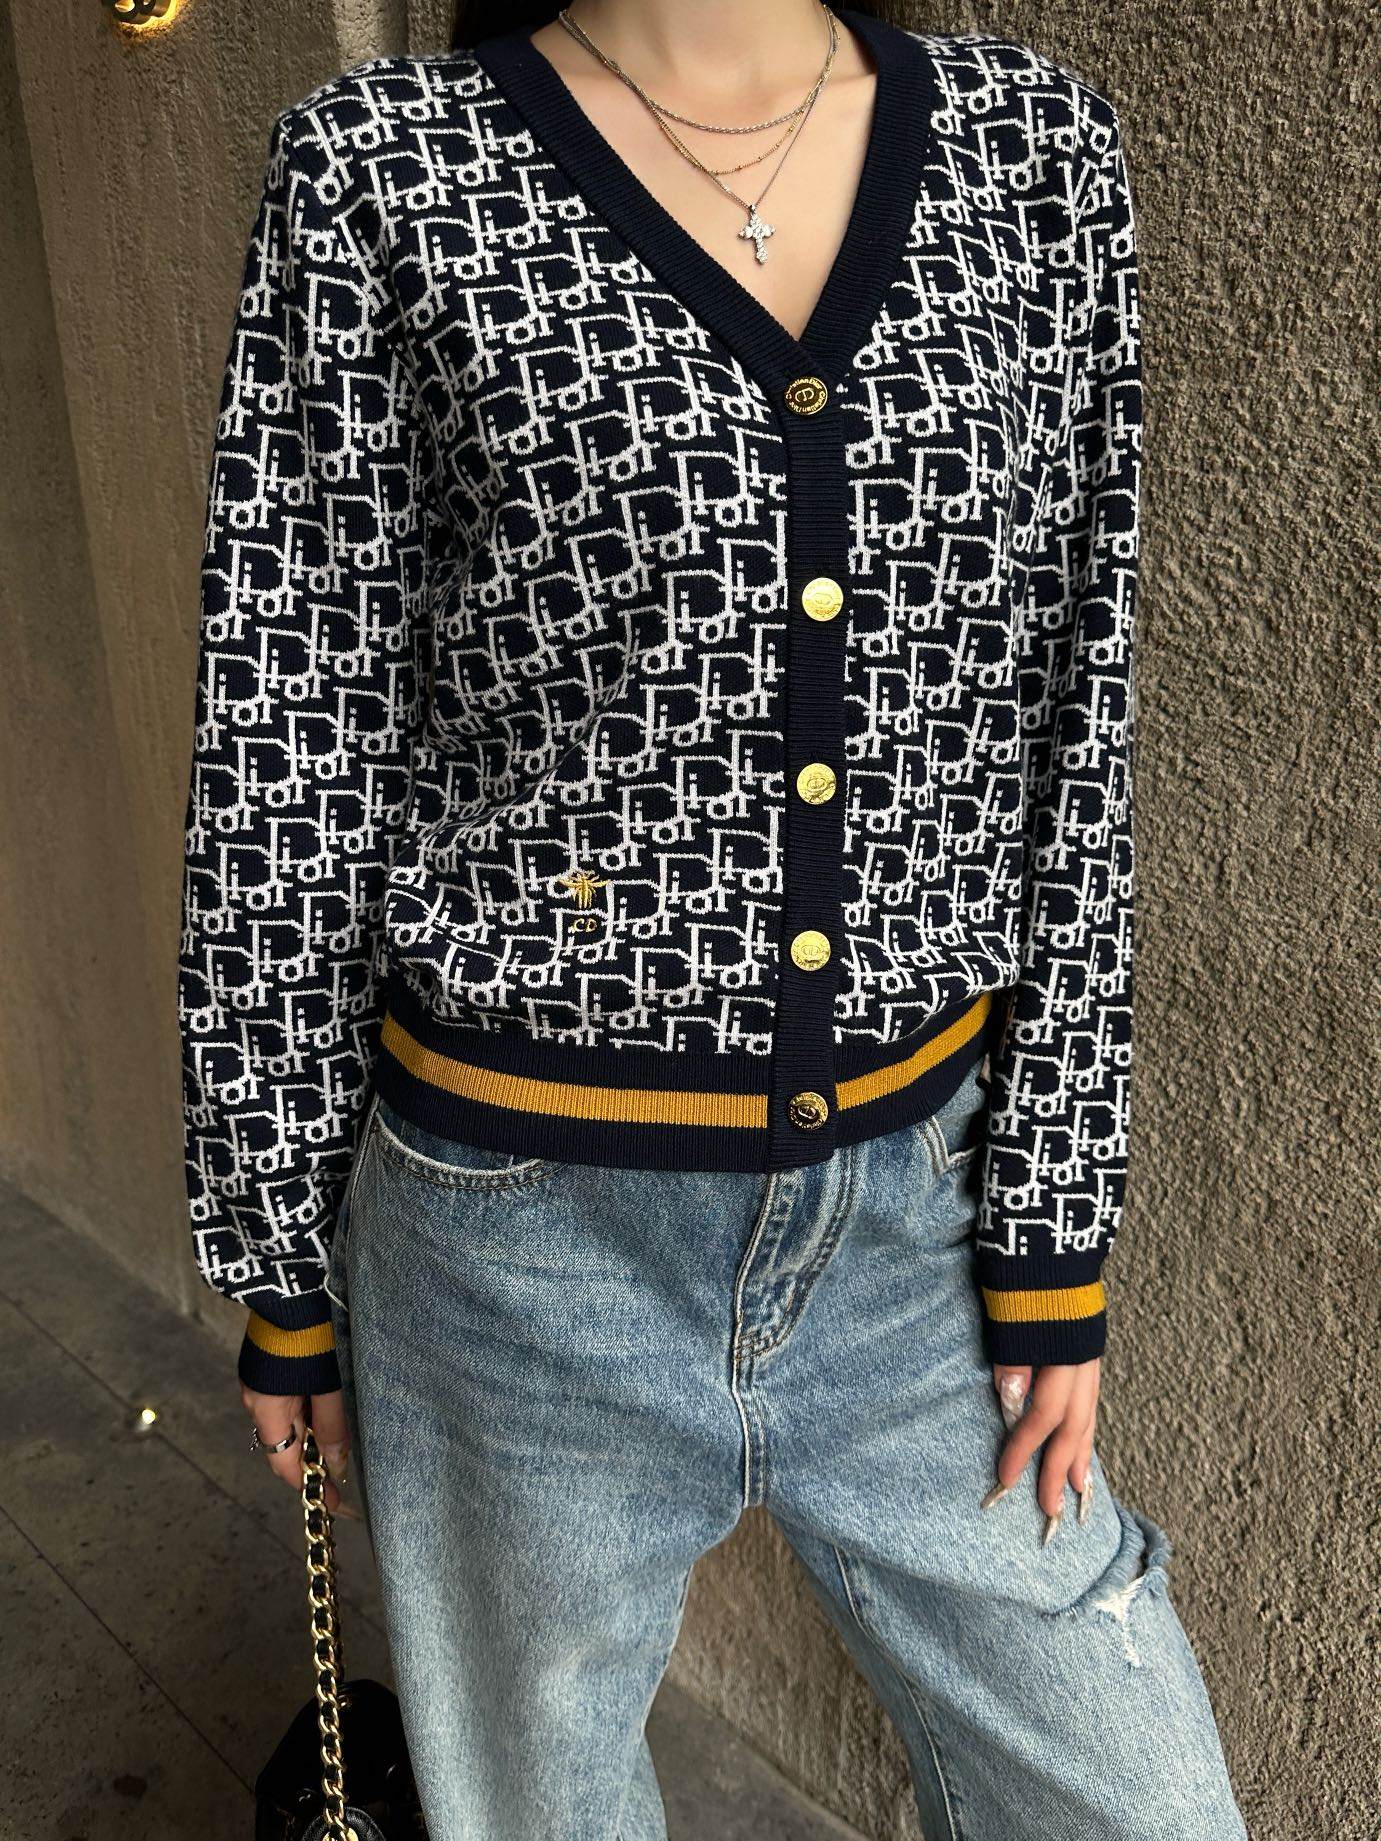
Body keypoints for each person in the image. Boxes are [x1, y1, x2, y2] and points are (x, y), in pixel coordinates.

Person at [176, 2, 1250, 1835]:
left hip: (911, 1236)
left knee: (1133, 1798)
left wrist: (1054, 1226)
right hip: (515, 1249)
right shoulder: (383, 171)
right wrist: (276, 1251)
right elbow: (291, 720)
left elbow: (1076, 714)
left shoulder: (1030, 157)